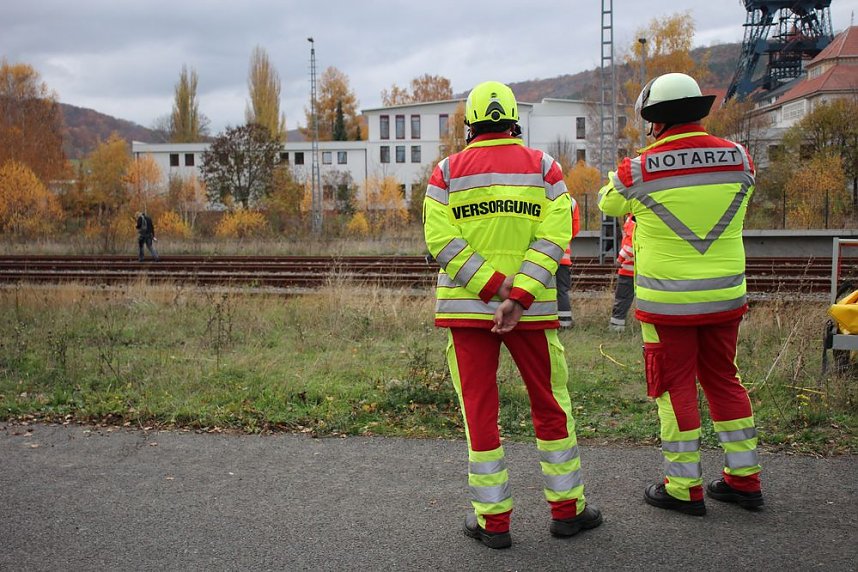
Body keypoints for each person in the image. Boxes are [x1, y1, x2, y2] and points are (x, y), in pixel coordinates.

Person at [423, 80, 602, 549]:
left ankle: (493, 523)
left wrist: (493, 288)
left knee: (480, 411)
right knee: (550, 403)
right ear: (513, 124)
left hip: (468, 312)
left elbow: (442, 242)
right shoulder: (545, 168)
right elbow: (555, 235)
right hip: (532, 313)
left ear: (471, 125)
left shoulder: (445, 173)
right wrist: (518, 295)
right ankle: (567, 512)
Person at [598, 72, 762, 516]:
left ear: (653, 120)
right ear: (696, 111)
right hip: (727, 297)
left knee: (675, 389)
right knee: (725, 379)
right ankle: (744, 480)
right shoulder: (740, 158)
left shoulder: (636, 169)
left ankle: (683, 487)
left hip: (667, 303)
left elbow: (608, 204)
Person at [556, 198, 581, 328]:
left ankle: (542, 321)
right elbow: (575, 229)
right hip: (563, 257)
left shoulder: (537, 194)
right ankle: (565, 323)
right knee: (562, 291)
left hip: (540, 255)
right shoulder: (571, 202)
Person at [609, 214, 636, 332]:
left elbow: (630, 244)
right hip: (639, 268)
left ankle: (616, 328)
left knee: (622, 298)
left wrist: (620, 259)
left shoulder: (633, 219)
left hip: (628, 267)